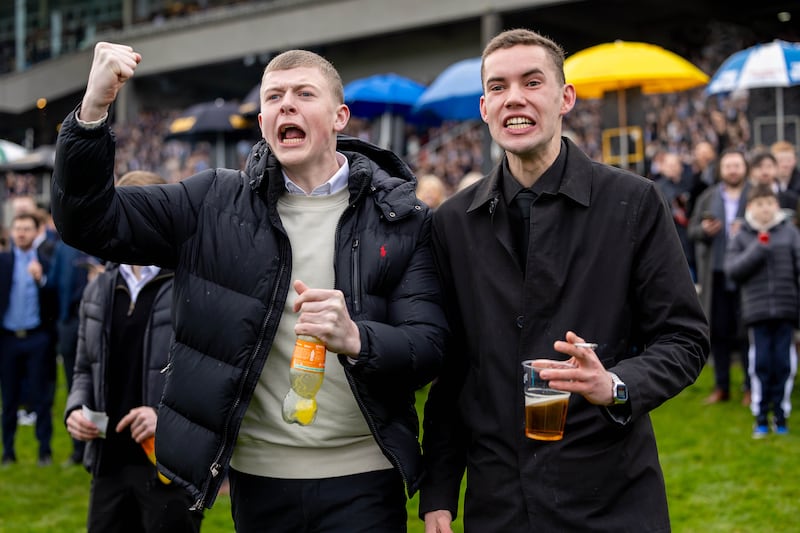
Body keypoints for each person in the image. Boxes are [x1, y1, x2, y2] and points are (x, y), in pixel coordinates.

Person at [52, 42, 446, 532]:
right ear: (261, 123)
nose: (287, 104)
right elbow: (88, 222)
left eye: (304, 93)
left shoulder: (399, 218)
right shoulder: (212, 203)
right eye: (274, 96)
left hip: (363, 477)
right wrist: (92, 112)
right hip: (259, 481)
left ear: (340, 116)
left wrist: (358, 339)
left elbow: (429, 346)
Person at [419, 28, 709, 532]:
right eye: (499, 86)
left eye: (532, 82)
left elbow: (684, 337)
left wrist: (614, 385)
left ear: (564, 98)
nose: (515, 98)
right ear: (485, 107)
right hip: (500, 502)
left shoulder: (633, 203)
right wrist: (440, 491)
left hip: (609, 496)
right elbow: (453, 373)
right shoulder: (451, 223)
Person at [64, 170, 203, 532]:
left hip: (167, 463)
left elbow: (209, 374)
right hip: (108, 461)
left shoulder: (192, 285)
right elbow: (82, 367)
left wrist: (166, 418)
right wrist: (75, 409)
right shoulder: (99, 289)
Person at [724, 184, 799, 438]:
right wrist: (759, 247)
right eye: (759, 204)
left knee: (784, 364)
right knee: (761, 364)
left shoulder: (790, 233)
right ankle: (760, 416)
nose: (765, 209)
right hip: (756, 313)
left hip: (786, 311)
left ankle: (781, 414)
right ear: (750, 208)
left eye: (769, 203)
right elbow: (732, 270)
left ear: (777, 206)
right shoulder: (743, 236)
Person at [689, 149, 751, 405]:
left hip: (748, 274)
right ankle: (721, 386)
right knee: (719, 332)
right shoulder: (708, 197)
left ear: (744, 168)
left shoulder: (755, 194)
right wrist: (704, 229)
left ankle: (750, 387)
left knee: (747, 333)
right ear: (721, 170)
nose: (733, 170)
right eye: (728, 166)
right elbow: (691, 230)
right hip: (715, 273)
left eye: (737, 165)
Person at [0, 212, 58, 466]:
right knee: (9, 397)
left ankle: (44, 450)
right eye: (18, 228)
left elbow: (55, 296)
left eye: (27, 228)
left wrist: (41, 280)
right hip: (8, 339)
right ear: (12, 233)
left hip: (37, 338)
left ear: (36, 233)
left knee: (40, 396)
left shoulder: (45, 262)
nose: (21, 232)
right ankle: (8, 451)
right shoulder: (3, 262)